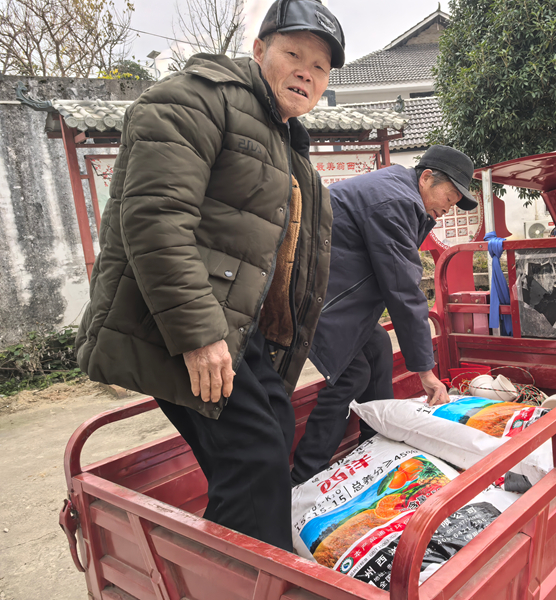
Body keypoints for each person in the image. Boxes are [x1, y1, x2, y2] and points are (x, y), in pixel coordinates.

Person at [74, 0, 346, 550]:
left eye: (319, 68)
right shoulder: (196, 98)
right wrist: (199, 337)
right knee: (252, 457)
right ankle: (245, 579)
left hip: (234, 328)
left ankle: (256, 568)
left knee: (267, 439)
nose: (305, 73)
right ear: (258, 50)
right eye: (293, 54)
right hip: (180, 322)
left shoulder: (283, 140)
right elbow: (155, 218)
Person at [290, 145, 479, 484]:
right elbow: (403, 291)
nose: (448, 209)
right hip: (311, 294)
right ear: (426, 178)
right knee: (352, 373)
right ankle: (306, 475)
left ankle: (374, 445)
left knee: (377, 347)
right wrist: (425, 371)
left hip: (331, 291)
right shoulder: (396, 202)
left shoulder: (399, 189)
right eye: (449, 198)